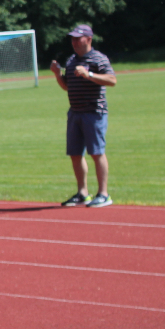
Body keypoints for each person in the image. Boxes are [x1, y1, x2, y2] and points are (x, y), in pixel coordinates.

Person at [49, 24, 117, 208]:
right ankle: (82, 193)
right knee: (75, 154)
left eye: (78, 39)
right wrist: (57, 75)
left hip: (94, 112)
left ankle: (103, 194)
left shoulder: (98, 58)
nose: (74, 42)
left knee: (96, 152)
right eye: (72, 39)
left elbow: (112, 80)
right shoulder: (71, 61)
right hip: (75, 112)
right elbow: (67, 87)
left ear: (88, 39)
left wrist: (89, 74)